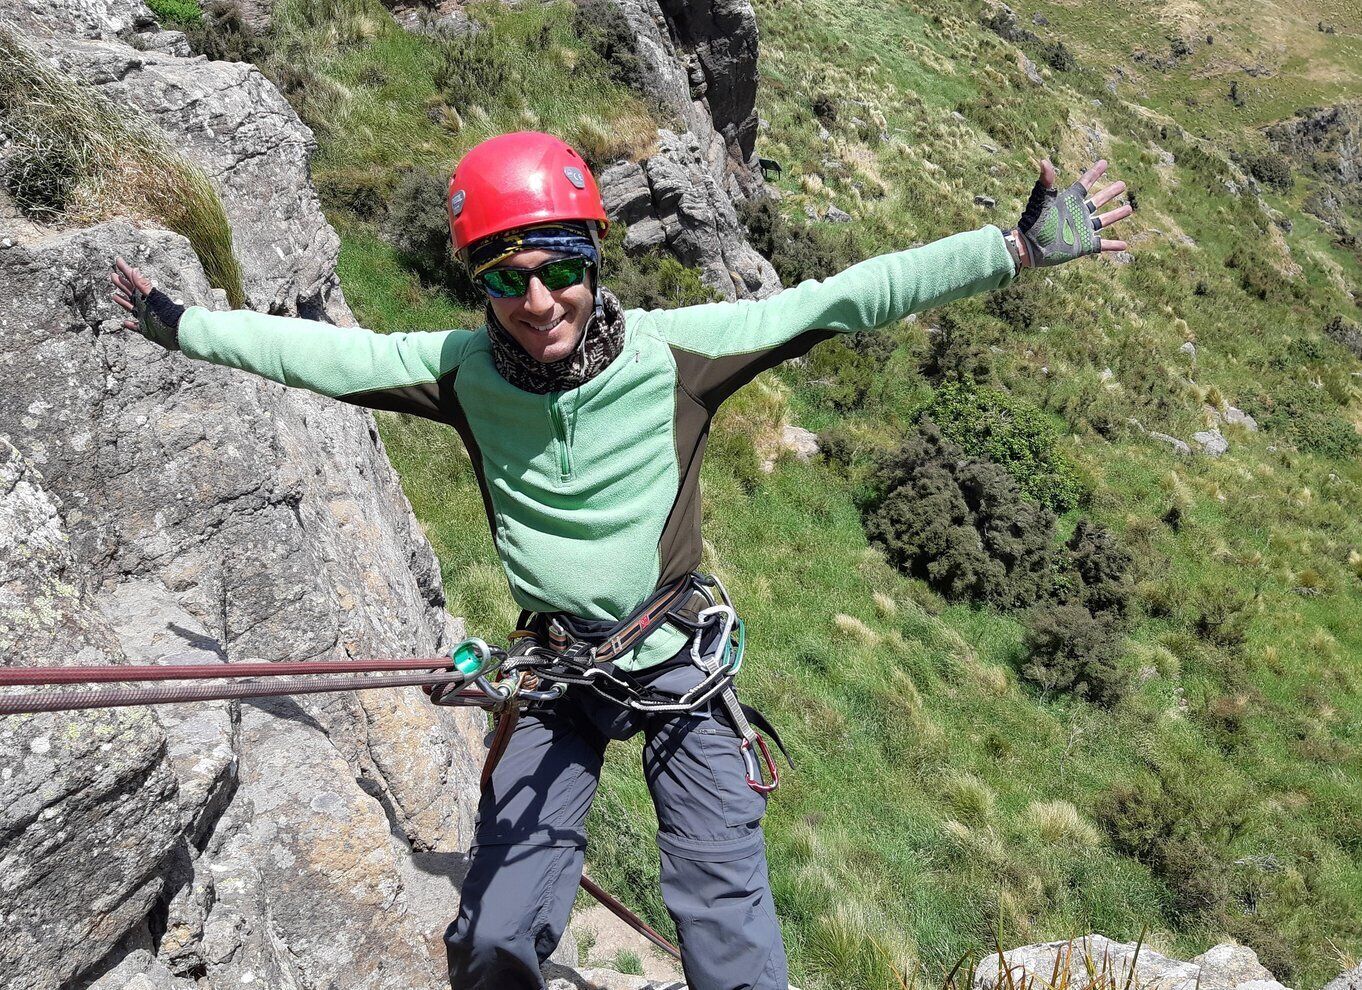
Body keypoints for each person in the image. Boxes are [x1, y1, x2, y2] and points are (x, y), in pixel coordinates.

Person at [111, 131, 1132, 990]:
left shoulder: (678, 356)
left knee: (728, 934)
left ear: (595, 258)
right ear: (482, 285)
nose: (539, 298)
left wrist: (1013, 251)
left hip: (677, 665)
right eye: (507, 278)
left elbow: (842, 298)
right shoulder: (457, 374)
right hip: (555, 672)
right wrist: (178, 323)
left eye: (559, 265)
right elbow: (323, 357)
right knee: (497, 938)